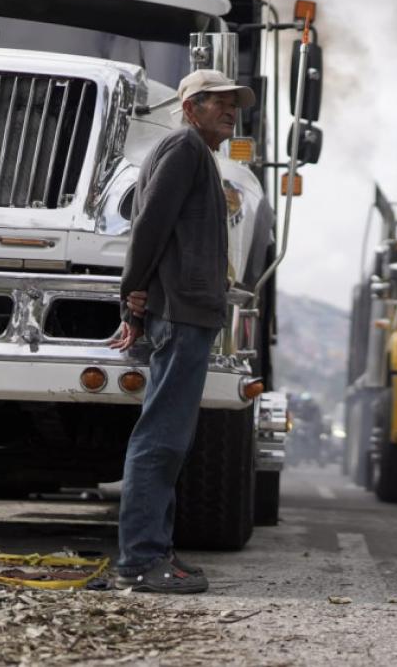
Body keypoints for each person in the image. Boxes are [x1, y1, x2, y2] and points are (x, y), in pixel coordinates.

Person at [110, 68, 254, 593]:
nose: (230, 110)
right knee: (161, 439)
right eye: (217, 101)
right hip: (182, 313)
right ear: (190, 107)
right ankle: (140, 562)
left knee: (169, 439)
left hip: (187, 311)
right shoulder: (184, 150)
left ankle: (155, 554)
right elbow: (148, 226)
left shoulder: (198, 156)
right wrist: (131, 298)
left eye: (233, 103)